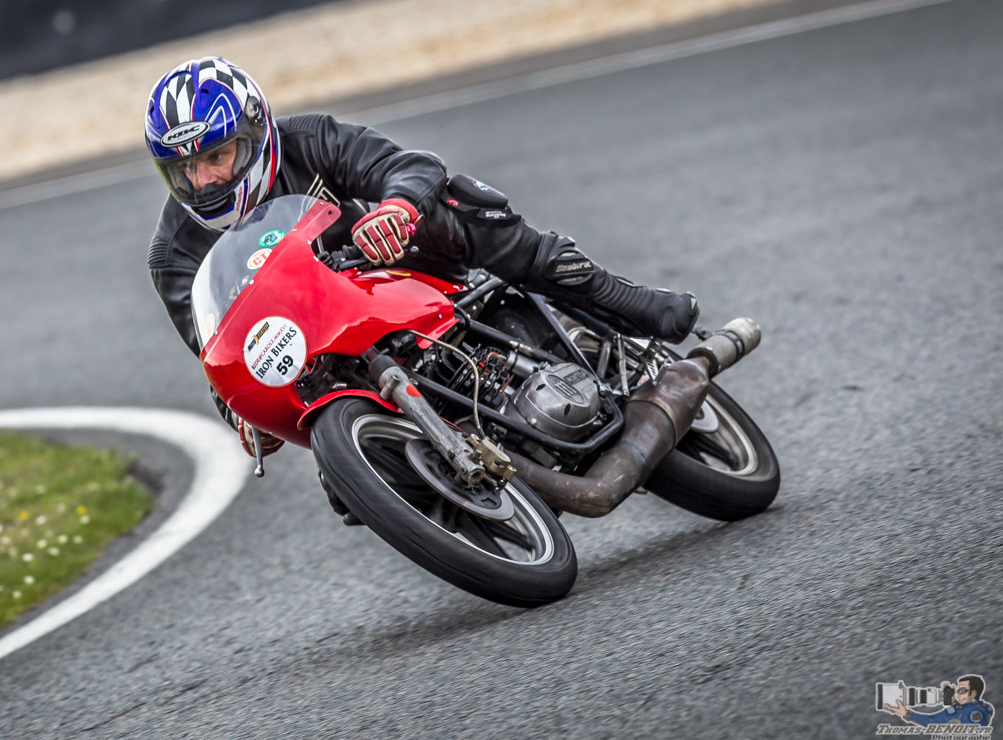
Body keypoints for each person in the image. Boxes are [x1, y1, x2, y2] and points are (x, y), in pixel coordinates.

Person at [145, 56, 698, 457]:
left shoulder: (308, 140)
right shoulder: (173, 255)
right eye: (185, 168)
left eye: (217, 156)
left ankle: (628, 301)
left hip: (388, 267)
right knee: (343, 492)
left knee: (457, 205)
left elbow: (411, 165)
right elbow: (215, 353)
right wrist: (239, 413)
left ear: (256, 132)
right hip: (313, 349)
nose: (204, 179)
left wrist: (396, 209)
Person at [884, 676, 994, 727]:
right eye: (957, 690)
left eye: (961, 691)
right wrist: (954, 702)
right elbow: (966, 712)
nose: (957, 694)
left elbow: (930, 721)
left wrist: (907, 714)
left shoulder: (958, 713)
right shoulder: (987, 708)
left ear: (973, 694)